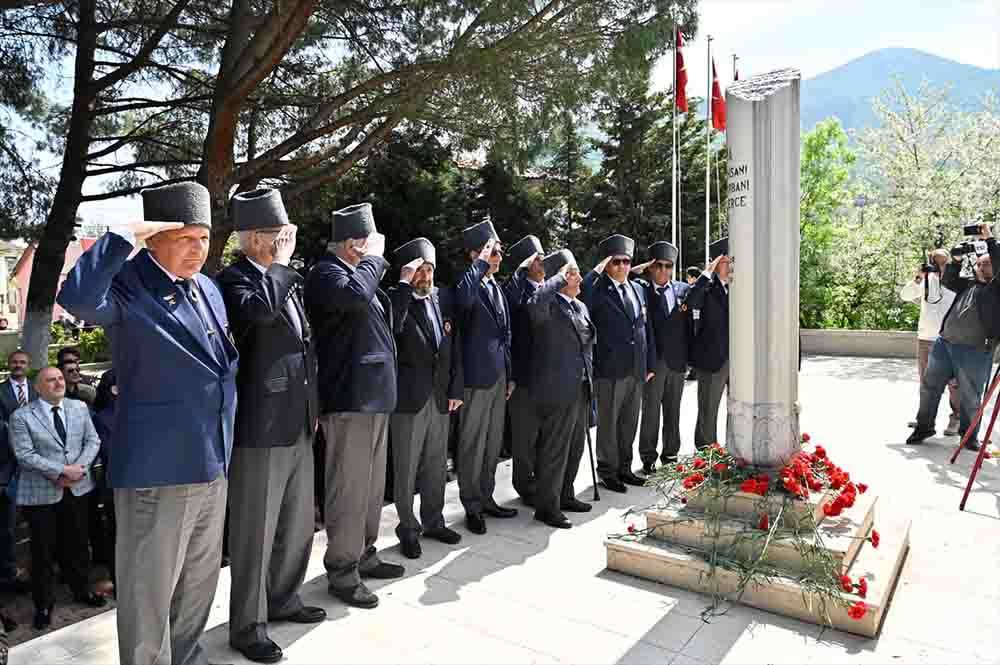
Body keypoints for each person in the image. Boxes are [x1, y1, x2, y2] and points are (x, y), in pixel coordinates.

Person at [57, 181, 239, 665]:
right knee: (148, 592)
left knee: (198, 581)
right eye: (184, 238)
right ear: (153, 239)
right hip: (157, 469)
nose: (197, 249)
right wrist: (120, 238)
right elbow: (76, 299)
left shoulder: (207, 289)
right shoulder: (128, 285)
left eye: (203, 237)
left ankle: (188, 656)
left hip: (211, 458)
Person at [217, 188, 325, 662]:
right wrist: (279, 267)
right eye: (282, 234)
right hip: (260, 428)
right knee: (255, 532)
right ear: (256, 239)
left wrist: (313, 407)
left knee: (296, 524)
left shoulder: (287, 280)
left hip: (298, 421)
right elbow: (258, 314)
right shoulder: (234, 280)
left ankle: (282, 598)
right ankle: (247, 624)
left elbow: (306, 348)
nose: (289, 240)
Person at [304, 202, 404, 610]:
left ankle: (364, 552)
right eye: (368, 243)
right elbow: (354, 296)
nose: (374, 251)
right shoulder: (327, 273)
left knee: (371, 487)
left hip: (374, 396)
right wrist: (375, 260)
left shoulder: (355, 275)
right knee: (349, 487)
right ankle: (342, 569)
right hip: (350, 397)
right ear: (352, 243)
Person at [10, 367, 105, 629]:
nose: (58, 383)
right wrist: (61, 471)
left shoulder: (79, 408)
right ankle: (43, 604)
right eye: (51, 380)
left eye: (60, 378)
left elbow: (93, 441)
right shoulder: (22, 416)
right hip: (41, 494)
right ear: (38, 387)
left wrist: (78, 470)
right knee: (43, 552)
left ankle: (81, 589)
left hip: (77, 488)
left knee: (77, 543)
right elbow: (25, 455)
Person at [387, 238, 464, 559]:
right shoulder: (396, 300)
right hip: (408, 401)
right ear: (408, 273)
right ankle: (408, 528)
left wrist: (455, 390)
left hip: (439, 399)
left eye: (429, 269)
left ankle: (434, 520)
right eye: (419, 270)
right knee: (406, 469)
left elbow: (451, 348)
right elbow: (392, 329)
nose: (426, 276)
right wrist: (405, 287)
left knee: (436, 465)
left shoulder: (439, 302)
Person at [908, 224, 1000, 450]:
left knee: (970, 397)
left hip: (975, 350)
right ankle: (924, 427)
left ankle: (968, 437)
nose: (980, 267)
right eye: (978, 264)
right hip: (945, 344)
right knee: (930, 388)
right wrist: (956, 260)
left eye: (986, 264)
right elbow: (949, 279)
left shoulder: (996, 288)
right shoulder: (970, 283)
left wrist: (989, 239)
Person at [454, 221, 517, 535]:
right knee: (472, 445)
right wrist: (480, 264)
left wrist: (510, 375)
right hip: (475, 379)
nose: (497, 256)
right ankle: (471, 504)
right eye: (491, 251)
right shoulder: (469, 283)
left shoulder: (496, 286)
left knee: (492, 443)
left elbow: (505, 336)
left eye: (499, 251)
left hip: (498, 378)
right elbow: (463, 300)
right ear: (475, 255)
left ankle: (487, 496)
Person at [525, 250, 595, 528]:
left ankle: (565, 494)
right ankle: (546, 506)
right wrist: (556, 278)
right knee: (555, 449)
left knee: (575, 446)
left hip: (580, 386)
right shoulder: (549, 304)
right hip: (557, 388)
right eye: (572, 272)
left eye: (575, 272)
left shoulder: (579, 306)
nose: (578, 277)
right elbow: (534, 302)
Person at [581, 234, 655, 493]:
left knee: (628, 422)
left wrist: (649, 364)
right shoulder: (597, 290)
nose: (623, 267)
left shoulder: (636, 289)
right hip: (610, 370)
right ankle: (607, 471)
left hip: (635, 369)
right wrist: (596, 271)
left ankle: (625, 467)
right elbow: (583, 295)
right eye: (616, 262)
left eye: (626, 262)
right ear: (607, 264)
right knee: (609, 424)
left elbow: (646, 329)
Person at [632, 242, 691, 473]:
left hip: (677, 362)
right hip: (654, 364)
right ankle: (648, 457)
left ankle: (670, 454)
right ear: (651, 267)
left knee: (673, 411)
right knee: (651, 412)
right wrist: (644, 266)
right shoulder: (641, 288)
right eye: (659, 266)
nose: (664, 271)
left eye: (668, 266)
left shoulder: (682, 290)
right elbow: (629, 276)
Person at [502, 235, 546, 506]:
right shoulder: (515, 291)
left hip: (550, 377)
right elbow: (514, 304)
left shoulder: (553, 288)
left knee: (545, 437)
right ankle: (525, 486)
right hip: (525, 377)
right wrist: (519, 272)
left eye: (543, 257)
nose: (543, 263)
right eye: (536, 259)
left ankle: (544, 482)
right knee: (524, 439)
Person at [899, 250, 960, 435]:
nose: (939, 265)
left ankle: (956, 420)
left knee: (954, 384)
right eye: (935, 261)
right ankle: (924, 420)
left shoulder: (956, 281)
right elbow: (905, 295)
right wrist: (919, 277)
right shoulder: (927, 280)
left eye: (942, 262)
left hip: (950, 339)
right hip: (926, 339)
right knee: (926, 384)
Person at [689, 239, 731, 449]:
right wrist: (707, 273)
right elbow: (690, 302)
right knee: (708, 408)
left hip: (735, 359)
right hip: (712, 359)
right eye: (725, 261)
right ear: (715, 264)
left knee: (738, 409)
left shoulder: (739, 287)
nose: (731, 265)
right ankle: (707, 452)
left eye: (732, 260)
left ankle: (733, 448)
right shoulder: (706, 287)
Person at [0, 349, 35, 594]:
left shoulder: (37, 389)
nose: (18, 365)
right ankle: (10, 574)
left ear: (28, 365)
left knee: (40, 522)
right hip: (10, 467)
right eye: (14, 362)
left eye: (22, 362)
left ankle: (40, 570)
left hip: (38, 465)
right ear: (8, 364)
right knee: (9, 526)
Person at [89, 369, 117, 595]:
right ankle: (119, 582)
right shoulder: (102, 417)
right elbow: (109, 452)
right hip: (115, 487)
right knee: (118, 536)